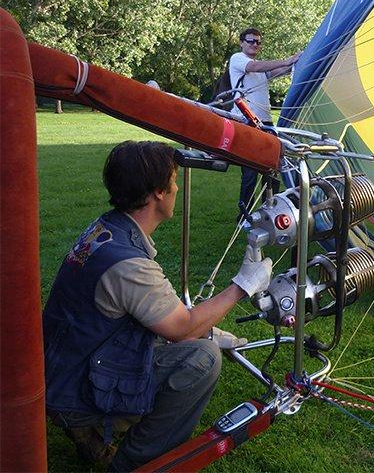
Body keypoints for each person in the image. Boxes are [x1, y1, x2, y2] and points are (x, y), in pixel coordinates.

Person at [42, 140, 273, 471]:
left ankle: (88, 431)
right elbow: (180, 329)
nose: (178, 187)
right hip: (75, 387)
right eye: (174, 180)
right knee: (202, 360)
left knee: (197, 340)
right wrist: (243, 286)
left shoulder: (106, 229)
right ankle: (131, 462)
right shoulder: (128, 265)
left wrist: (204, 328)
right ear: (157, 193)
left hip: (63, 369)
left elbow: (156, 310)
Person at [229, 27, 300, 219]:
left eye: (258, 42)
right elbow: (256, 67)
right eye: (251, 41)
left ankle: (269, 210)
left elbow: (278, 71)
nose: (254, 45)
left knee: (273, 167)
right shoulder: (238, 59)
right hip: (246, 120)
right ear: (242, 42)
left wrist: (299, 62)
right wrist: (288, 60)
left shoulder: (260, 67)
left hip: (265, 123)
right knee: (250, 172)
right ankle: (244, 216)